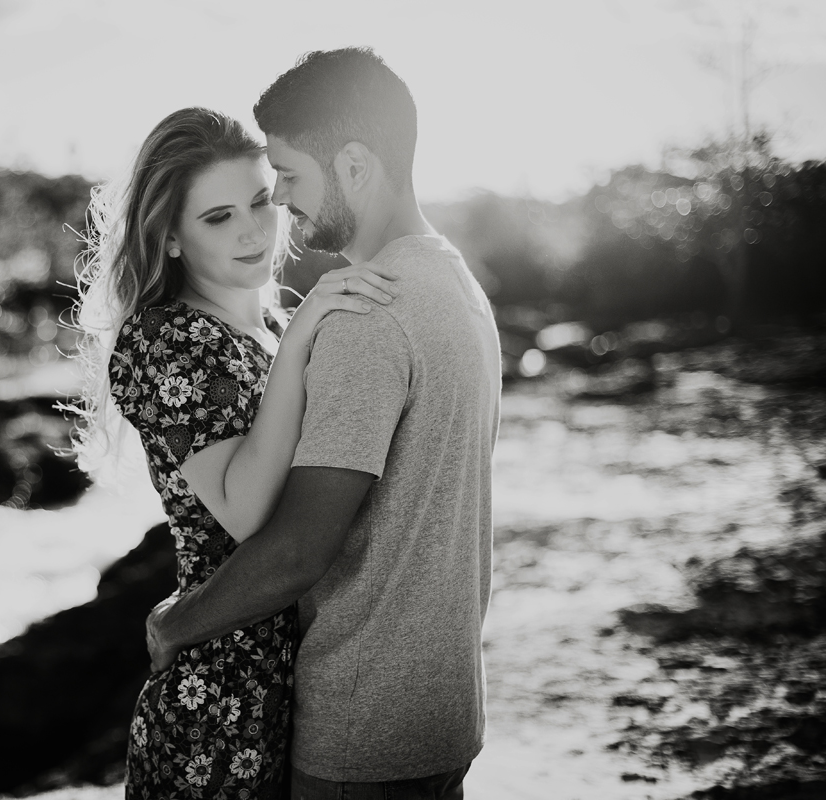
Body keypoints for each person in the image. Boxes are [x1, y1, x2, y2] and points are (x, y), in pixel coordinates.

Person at [145, 48, 503, 799]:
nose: (279, 199)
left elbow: (298, 550)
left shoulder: (368, 317)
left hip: (362, 730)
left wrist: (176, 624)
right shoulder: (455, 283)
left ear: (354, 166)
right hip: (444, 715)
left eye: (288, 175)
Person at [71, 107, 398, 798]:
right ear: (170, 237)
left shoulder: (273, 326)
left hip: (310, 685)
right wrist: (306, 331)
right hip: (218, 705)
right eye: (218, 217)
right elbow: (246, 514)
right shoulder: (166, 340)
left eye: (260, 202)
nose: (253, 231)